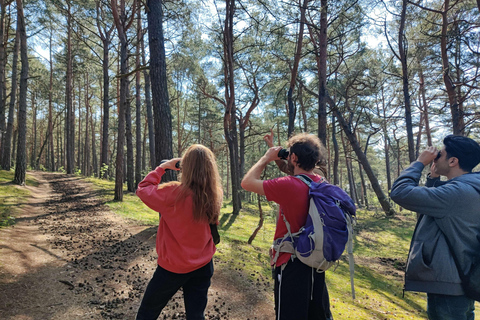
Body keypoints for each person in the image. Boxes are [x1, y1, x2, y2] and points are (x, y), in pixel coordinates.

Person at [241, 132, 332, 320]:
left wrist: (266, 158)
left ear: (293, 157)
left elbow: (247, 182)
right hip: (317, 261)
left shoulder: (289, 185)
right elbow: (295, 171)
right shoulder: (322, 183)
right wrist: (282, 153)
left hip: (292, 264)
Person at [390, 135, 480, 320]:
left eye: (439, 154)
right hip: (460, 279)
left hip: (449, 283)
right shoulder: (470, 187)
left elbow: (400, 192)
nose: (434, 157)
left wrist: (418, 163)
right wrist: (433, 179)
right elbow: (438, 208)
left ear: (453, 161)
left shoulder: (456, 193)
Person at [135, 144, 223, 320]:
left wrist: (162, 168)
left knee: (147, 312)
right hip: (203, 264)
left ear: (185, 167)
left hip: (172, 268)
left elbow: (143, 189)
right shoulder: (215, 193)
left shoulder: (173, 192)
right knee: (196, 315)